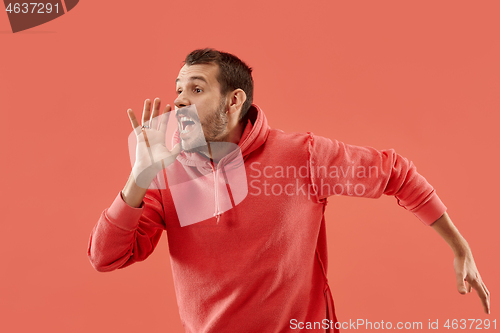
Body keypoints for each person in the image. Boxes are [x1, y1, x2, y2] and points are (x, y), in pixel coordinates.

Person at [87, 48, 490, 333]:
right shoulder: (166, 171)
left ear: (233, 101)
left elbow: (395, 173)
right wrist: (139, 177)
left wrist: (459, 246)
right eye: (177, 89)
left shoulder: (302, 155)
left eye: (195, 89)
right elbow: (106, 258)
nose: (177, 101)